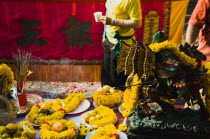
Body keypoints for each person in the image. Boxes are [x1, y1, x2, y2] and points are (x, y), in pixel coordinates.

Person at [99, 0, 142, 90]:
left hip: (122, 44)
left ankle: (120, 100)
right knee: (106, 75)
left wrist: (113, 22)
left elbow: (137, 23)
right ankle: (105, 97)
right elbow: (108, 13)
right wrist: (104, 35)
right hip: (109, 38)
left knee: (117, 78)